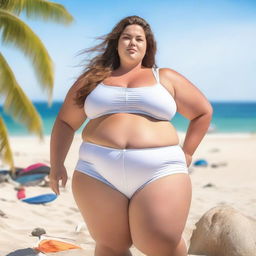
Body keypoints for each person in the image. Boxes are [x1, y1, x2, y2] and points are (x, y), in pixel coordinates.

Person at [49, 15, 213, 256]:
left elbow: (202, 112)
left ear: (148, 46)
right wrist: (56, 165)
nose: (132, 42)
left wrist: (188, 151)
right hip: (97, 171)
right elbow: (65, 122)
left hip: (160, 169)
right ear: (117, 43)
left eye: (139, 38)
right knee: (111, 246)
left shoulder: (165, 77)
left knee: (161, 241)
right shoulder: (92, 80)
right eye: (126, 37)